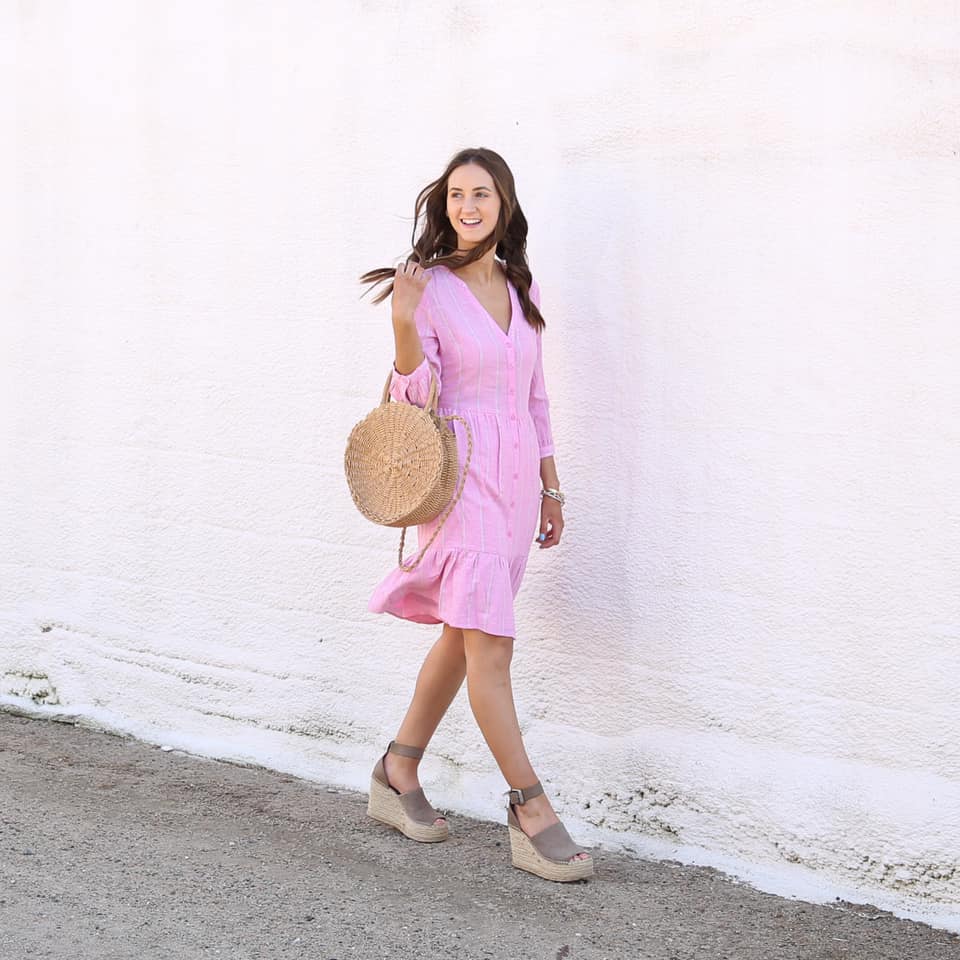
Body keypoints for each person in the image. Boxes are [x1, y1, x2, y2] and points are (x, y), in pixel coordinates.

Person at [358, 148, 593, 882]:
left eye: (482, 193)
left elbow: (535, 397)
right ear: (443, 204)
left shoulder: (520, 289)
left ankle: (398, 770)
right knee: (491, 647)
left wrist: (552, 488)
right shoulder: (425, 288)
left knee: (465, 639)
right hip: (461, 485)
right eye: (456, 194)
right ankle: (531, 809)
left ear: (505, 204)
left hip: (517, 484)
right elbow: (410, 400)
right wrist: (402, 322)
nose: (467, 205)